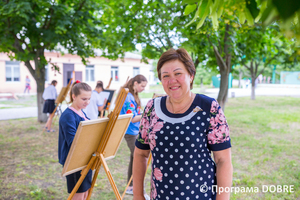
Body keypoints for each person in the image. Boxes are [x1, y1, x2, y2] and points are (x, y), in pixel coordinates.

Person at [133, 48, 232, 200]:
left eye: (178, 73)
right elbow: (140, 154)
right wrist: (138, 195)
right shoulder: (151, 108)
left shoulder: (209, 107)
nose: (172, 80)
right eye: (166, 76)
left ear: (191, 76)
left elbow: (223, 160)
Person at [58, 81, 92, 200]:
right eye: (84, 99)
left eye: (89, 99)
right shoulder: (68, 115)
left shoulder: (81, 112)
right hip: (74, 161)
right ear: (74, 96)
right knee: (77, 194)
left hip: (86, 159)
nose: (87, 102)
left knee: (85, 193)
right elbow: (73, 142)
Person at [120, 75, 150, 200]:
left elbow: (136, 114)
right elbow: (132, 119)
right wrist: (147, 114)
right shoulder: (128, 97)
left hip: (135, 131)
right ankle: (138, 190)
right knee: (139, 159)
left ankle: (131, 186)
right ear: (135, 83)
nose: (143, 88)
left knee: (134, 158)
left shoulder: (133, 96)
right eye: (142, 86)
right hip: (130, 132)